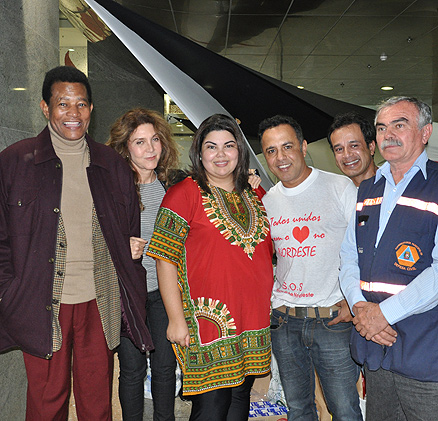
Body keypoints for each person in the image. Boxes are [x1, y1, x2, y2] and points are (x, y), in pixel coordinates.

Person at [0, 66, 152, 420]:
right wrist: (9, 292)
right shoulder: (13, 162)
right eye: (63, 104)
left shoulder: (112, 165)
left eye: (81, 104)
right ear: (44, 107)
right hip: (40, 303)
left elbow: (128, 229)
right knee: (45, 403)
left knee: (97, 402)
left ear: (92, 109)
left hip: (100, 301)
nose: (73, 114)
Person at [147, 114, 274, 421]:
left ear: (240, 151)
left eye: (229, 146)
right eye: (211, 146)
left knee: (240, 397)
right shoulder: (183, 194)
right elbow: (164, 259)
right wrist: (176, 320)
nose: (220, 154)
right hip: (207, 325)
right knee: (212, 406)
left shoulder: (255, 194)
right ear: (199, 152)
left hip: (252, 320)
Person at [340, 96, 438, 420]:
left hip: (424, 353)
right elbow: (348, 257)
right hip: (374, 350)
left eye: (400, 124)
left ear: (425, 132)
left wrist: (382, 314)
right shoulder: (368, 188)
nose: (388, 134)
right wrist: (360, 308)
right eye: (382, 127)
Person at [259, 115, 362, 421]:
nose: (281, 157)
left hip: (332, 321)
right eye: (271, 151)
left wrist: (354, 300)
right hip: (284, 322)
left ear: (303, 147)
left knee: (345, 410)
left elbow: (363, 248)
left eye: (287, 146)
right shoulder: (267, 201)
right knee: (299, 410)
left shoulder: (339, 187)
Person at [107, 108, 184, 421]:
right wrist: (120, 247)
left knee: (166, 369)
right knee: (133, 370)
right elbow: (92, 239)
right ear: (126, 148)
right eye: (140, 142)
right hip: (128, 294)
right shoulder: (112, 189)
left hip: (166, 294)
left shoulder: (174, 186)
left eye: (155, 140)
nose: (150, 148)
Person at [327, 112, 378, 187]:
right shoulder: (335, 194)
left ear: (371, 147)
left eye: (354, 146)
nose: (347, 155)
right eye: (339, 149)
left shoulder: (394, 184)